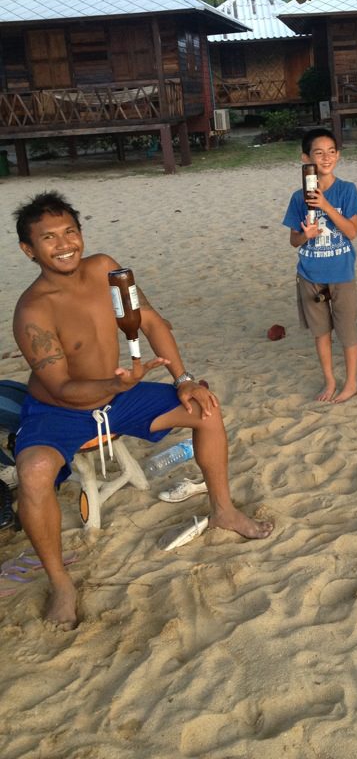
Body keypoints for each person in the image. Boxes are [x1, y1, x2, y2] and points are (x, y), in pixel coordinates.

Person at [12, 191, 273, 629]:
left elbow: (150, 320)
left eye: (70, 232)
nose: (64, 244)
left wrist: (183, 379)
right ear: (29, 249)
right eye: (49, 238)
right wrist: (116, 382)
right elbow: (62, 385)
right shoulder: (33, 310)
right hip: (59, 409)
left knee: (205, 407)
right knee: (34, 473)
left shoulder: (103, 269)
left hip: (120, 395)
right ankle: (61, 582)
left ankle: (223, 511)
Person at [283, 128, 357, 403]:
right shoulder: (298, 197)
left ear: (338, 155)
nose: (326, 157)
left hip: (341, 272)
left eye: (331, 152)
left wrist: (327, 206)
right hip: (310, 273)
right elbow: (293, 240)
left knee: (347, 331)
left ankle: (351, 382)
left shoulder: (346, 190)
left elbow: (352, 232)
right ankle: (330, 380)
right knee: (321, 332)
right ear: (306, 158)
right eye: (318, 153)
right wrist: (303, 235)